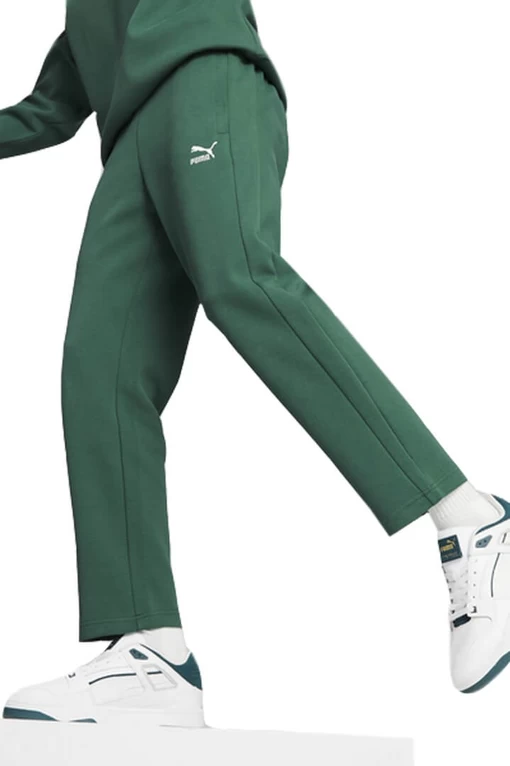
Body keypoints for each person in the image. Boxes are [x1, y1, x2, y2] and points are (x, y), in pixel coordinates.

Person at [1, 0, 508, 727]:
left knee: (242, 281)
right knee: (98, 374)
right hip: (130, 143)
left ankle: (474, 520)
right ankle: (152, 655)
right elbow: (48, 109)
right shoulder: (86, 15)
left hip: (205, 79)